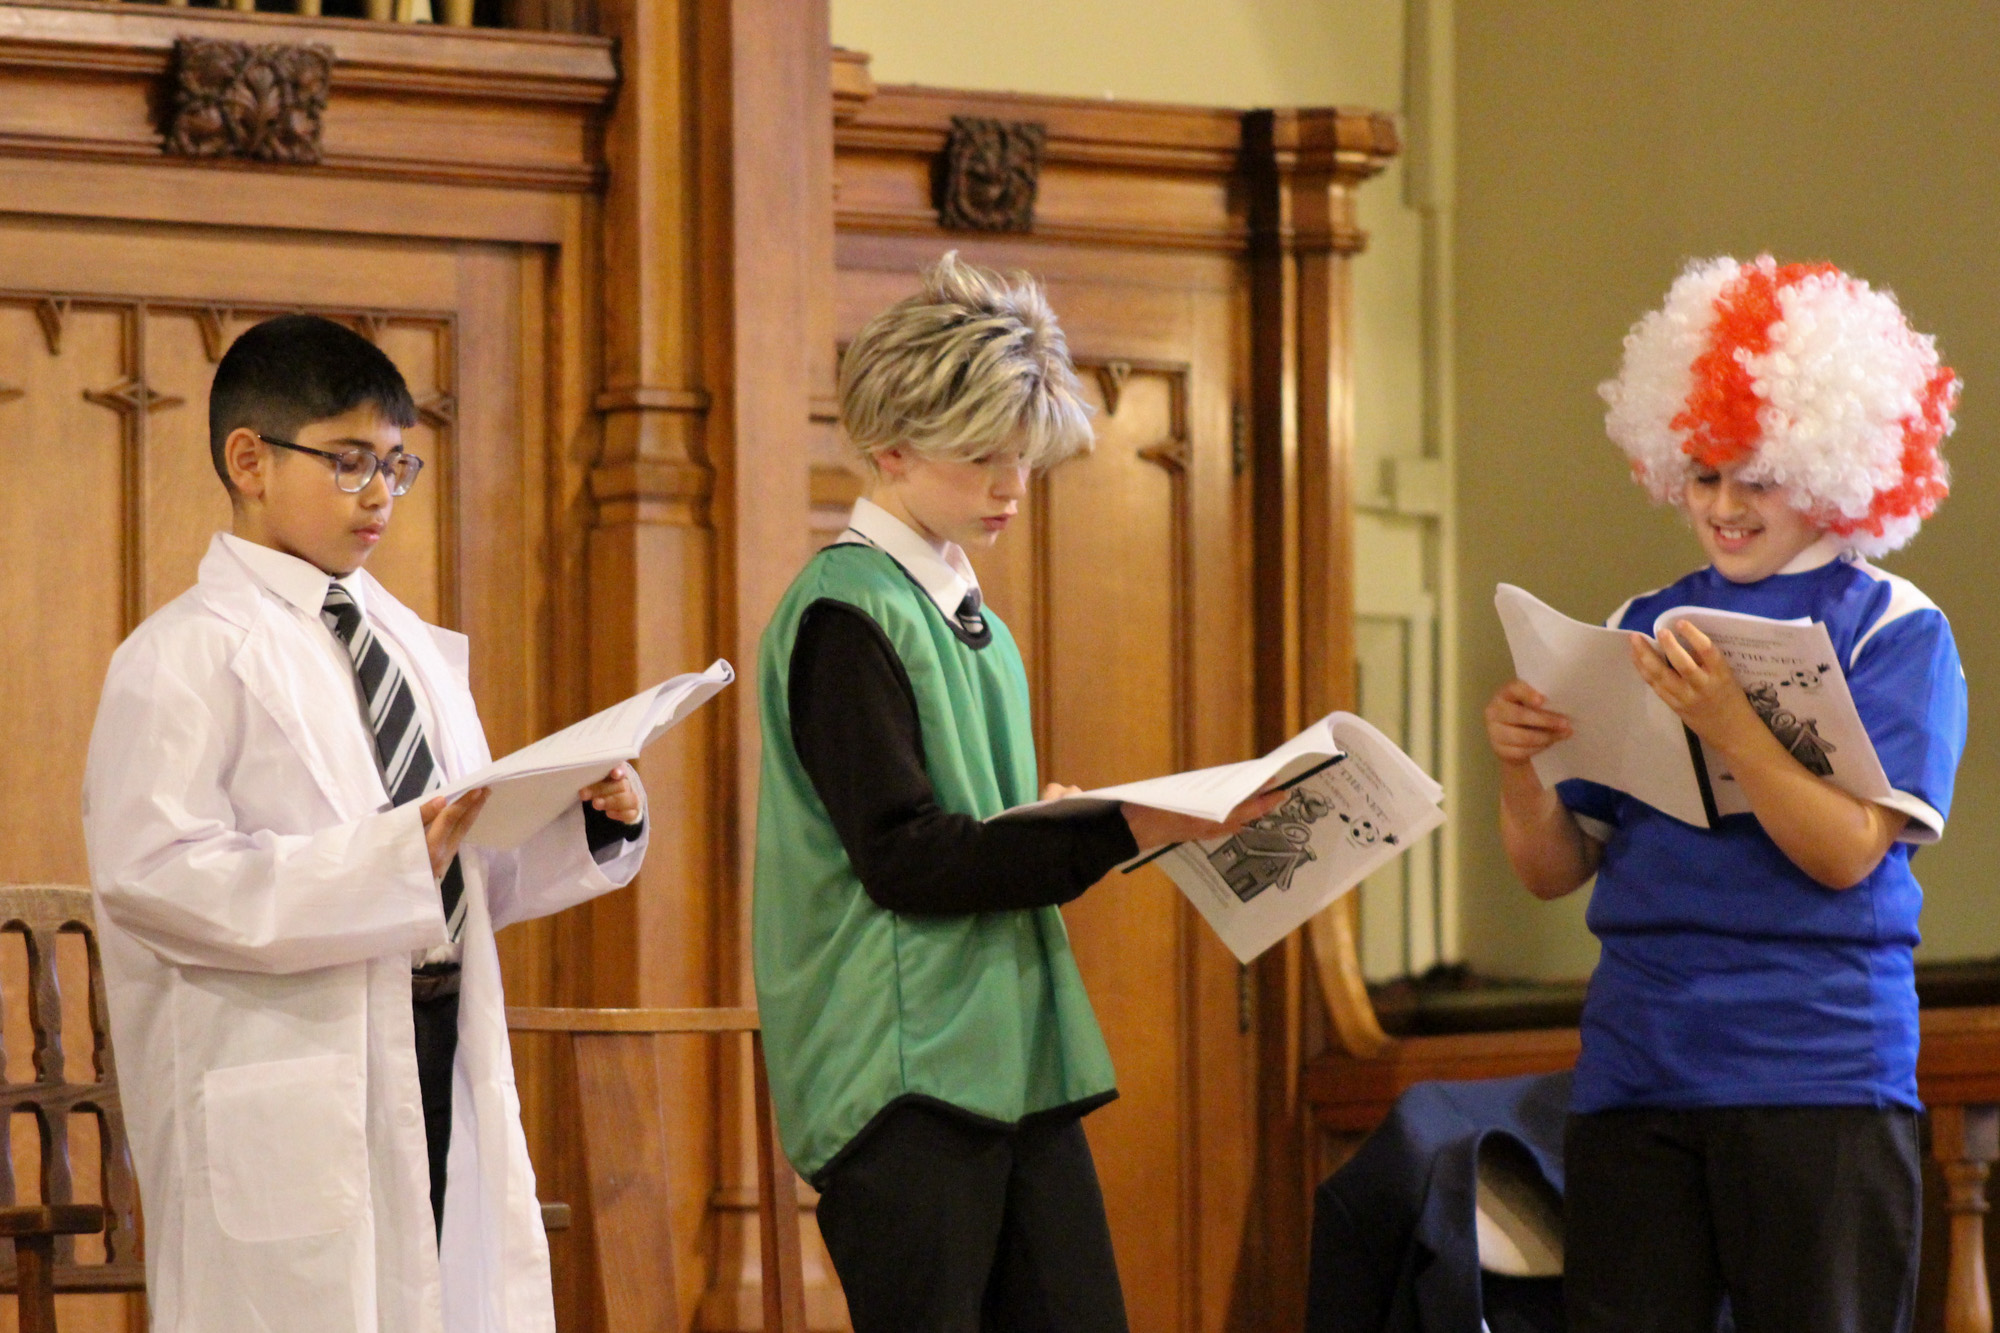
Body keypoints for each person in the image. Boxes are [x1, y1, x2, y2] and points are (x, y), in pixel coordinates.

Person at [83, 314, 648, 1332]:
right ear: (249, 460)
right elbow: (153, 877)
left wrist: (579, 818)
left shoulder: (407, 646)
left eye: (396, 464)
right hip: (287, 1069)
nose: (381, 494)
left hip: (435, 1036)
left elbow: (460, 860)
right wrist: (389, 859)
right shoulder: (181, 654)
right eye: (349, 463)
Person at [752, 253, 1280, 1333]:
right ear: (890, 444)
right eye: (985, 457)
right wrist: (1120, 824)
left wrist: (1055, 821)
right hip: (902, 1070)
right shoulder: (846, 612)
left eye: (1025, 459)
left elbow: (963, 826)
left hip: (1001, 1050)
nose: (1011, 487)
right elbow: (905, 856)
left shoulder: (955, 604)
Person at [1484, 256, 1967, 1333]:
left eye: (1754, 475)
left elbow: (1846, 854)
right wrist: (1517, 766)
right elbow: (1553, 867)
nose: (1721, 504)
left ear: (1835, 467)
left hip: (1819, 1072)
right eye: (1700, 474)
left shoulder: (1897, 627)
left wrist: (1729, 727)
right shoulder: (1644, 616)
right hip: (1635, 1067)